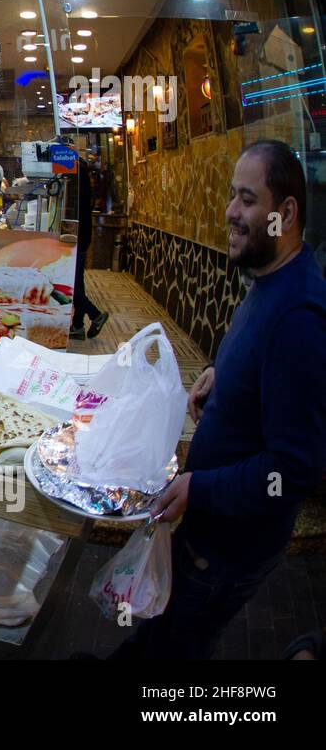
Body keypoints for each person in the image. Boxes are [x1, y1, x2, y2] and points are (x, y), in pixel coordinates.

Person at [111, 140, 326, 660]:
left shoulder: (300, 316)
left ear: (286, 213)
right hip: (206, 530)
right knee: (161, 634)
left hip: (230, 549)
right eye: (231, 195)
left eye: (247, 199)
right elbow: (259, 368)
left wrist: (200, 487)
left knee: (176, 648)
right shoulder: (269, 278)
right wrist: (216, 375)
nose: (230, 211)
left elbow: (293, 470)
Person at [69, 153, 109, 340]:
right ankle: (77, 326)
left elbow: (71, 207)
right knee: (77, 282)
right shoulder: (84, 173)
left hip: (76, 235)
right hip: (83, 234)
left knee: (70, 284)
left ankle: (95, 314)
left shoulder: (75, 175)